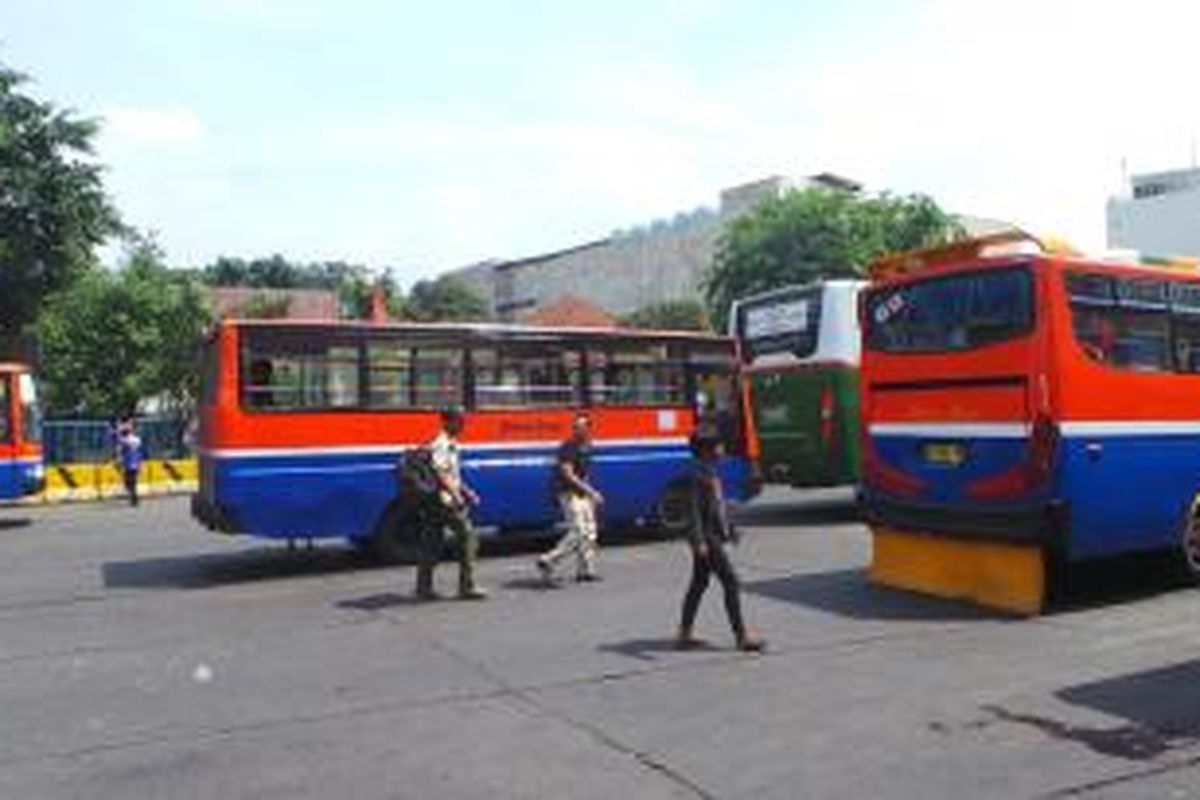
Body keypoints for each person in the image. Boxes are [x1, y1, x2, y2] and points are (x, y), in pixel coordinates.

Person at [676, 430, 765, 653]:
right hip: (707, 538)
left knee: (699, 583)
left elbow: (718, 506)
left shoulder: (710, 471)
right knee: (731, 582)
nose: (723, 450)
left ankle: (684, 634)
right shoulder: (695, 475)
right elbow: (693, 512)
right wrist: (699, 542)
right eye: (720, 446)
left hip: (713, 536)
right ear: (707, 450)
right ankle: (741, 637)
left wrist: (731, 530)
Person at [416, 407, 487, 601]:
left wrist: (467, 491)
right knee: (468, 537)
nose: (463, 424)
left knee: (431, 541)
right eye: (459, 421)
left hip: (440, 499)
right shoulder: (441, 444)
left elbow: (452, 475)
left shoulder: (452, 443)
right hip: (443, 501)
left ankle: (423, 587)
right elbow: (440, 473)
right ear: (447, 422)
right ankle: (467, 586)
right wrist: (456, 495)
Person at [536, 412, 604, 584]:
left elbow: (584, 473)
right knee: (578, 532)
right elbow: (568, 475)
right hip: (568, 493)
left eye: (580, 427)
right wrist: (591, 492)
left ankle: (586, 570)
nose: (576, 430)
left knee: (590, 532)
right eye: (575, 427)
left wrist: (589, 496)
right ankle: (549, 559)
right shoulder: (568, 447)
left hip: (581, 494)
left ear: (588, 429)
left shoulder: (587, 446)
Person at [115, 420, 145, 507]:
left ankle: (134, 497)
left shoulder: (124, 440)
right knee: (133, 482)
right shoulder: (137, 440)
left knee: (128, 482)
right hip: (136, 462)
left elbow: (120, 449)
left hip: (128, 463)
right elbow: (140, 452)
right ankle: (134, 497)